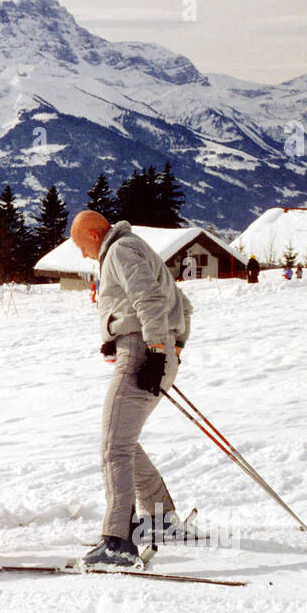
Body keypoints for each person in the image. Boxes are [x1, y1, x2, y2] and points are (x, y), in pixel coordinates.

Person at [70, 209, 193, 570]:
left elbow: (150, 301)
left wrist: (154, 351)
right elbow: (181, 304)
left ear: (94, 235)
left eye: (81, 246)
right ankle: (159, 517)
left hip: (142, 354)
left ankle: (119, 541)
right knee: (122, 439)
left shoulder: (120, 251)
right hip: (148, 350)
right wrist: (170, 347)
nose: (82, 255)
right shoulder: (135, 247)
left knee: (114, 447)